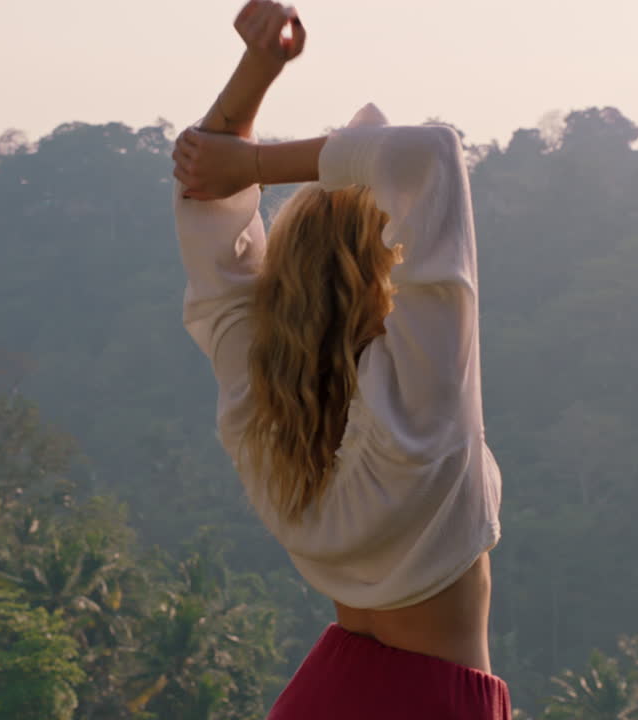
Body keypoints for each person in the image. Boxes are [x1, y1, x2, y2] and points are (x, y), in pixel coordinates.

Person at [171, 2, 509, 718]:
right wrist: (256, 162)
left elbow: (205, 199)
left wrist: (257, 75)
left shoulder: (258, 399)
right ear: (386, 268)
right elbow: (429, 157)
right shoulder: (423, 401)